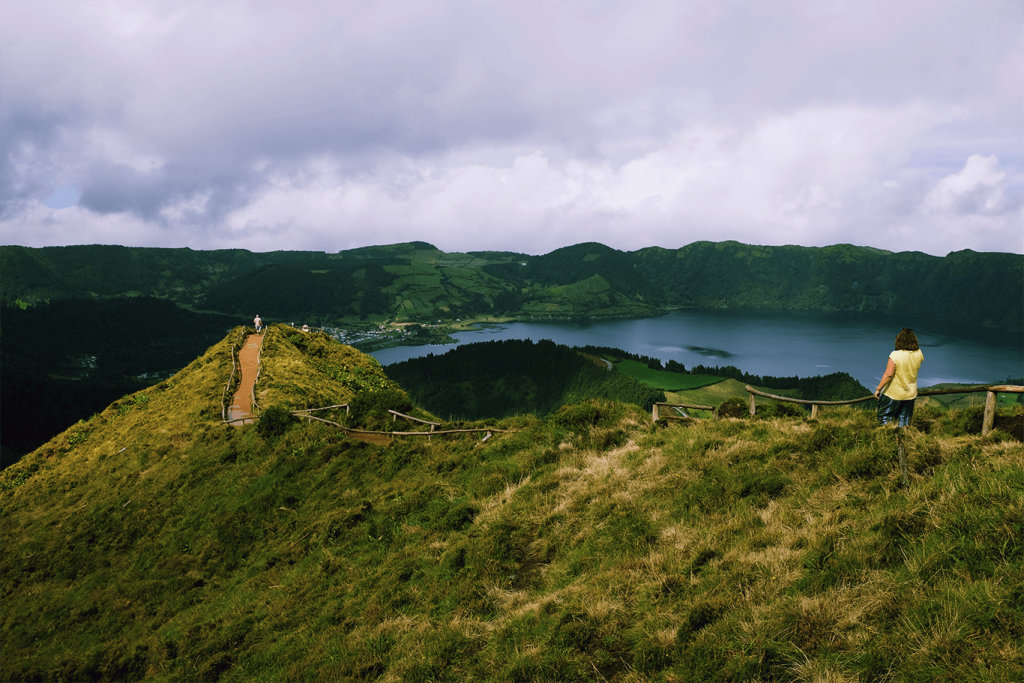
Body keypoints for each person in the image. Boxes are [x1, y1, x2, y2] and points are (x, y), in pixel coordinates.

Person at [874, 328, 924, 427]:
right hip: (910, 394)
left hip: (893, 394)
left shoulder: (895, 355)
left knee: (884, 416)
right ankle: (902, 440)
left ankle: (888, 437)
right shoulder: (919, 353)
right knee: (904, 420)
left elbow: (888, 374)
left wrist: (878, 389)